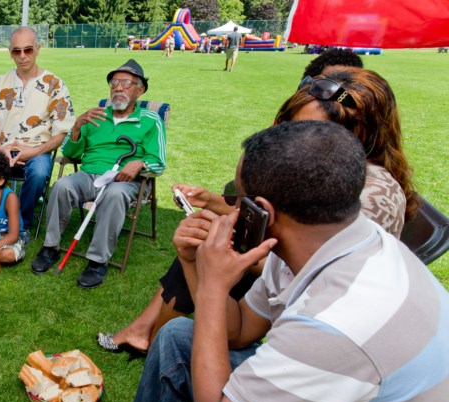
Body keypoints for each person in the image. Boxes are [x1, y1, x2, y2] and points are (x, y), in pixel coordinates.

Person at [96, 120, 449, 402]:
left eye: (238, 199)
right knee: (177, 338)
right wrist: (193, 263)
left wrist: (211, 288)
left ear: (263, 211)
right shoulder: (334, 239)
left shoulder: (340, 319)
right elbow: (241, 330)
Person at [99, 67, 413, 356]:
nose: (287, 142)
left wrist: (228, 252)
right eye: (287, 127)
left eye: (309, 131)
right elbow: (243, 325)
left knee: (208, 251)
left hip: (310, 340)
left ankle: (148, 336)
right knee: (201, 247)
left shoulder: (364, 198)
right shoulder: (316, 176)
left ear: (355, 136)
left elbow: (300, 272)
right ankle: (149, 335)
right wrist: (211, 210)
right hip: (272, 303)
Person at [31, 60, 166, 289]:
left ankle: (97, 261)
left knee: (114, 195)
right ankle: (50, 247)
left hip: (125, 180)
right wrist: (76, 129)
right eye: (114, 83)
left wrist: (140, 163)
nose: (118, 88)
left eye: (126, 83)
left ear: (140, 89)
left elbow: (159, 162)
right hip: (89, 174)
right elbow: (71, 153)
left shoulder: (151, 120)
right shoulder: (96, 116)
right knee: (62, 186)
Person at [0, 26, 74, 236]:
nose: (22, 56)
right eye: (16, 51)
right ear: (10, 52)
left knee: (38, 173)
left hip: (37, 148)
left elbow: (61, 133)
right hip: (2, 149)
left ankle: (21, 223)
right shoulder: (0, 82)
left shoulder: (54, 84)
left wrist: (33, 152)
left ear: (38, 49)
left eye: (28, 50)